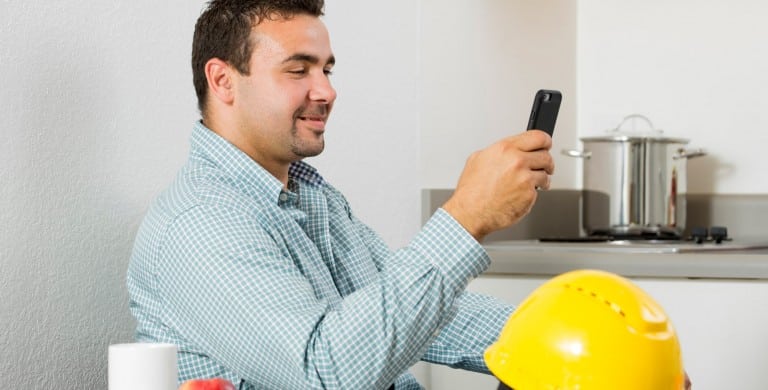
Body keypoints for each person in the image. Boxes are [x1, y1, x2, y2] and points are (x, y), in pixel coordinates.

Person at [126, 0, 554, 389]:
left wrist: (559, 332)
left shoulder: (312, 197)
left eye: (326, 70)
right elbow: (325, 372)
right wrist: (467, 215)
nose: (326, 91)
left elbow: (419, 318)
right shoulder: (202, 222)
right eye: (298, 70)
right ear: (223, 80)